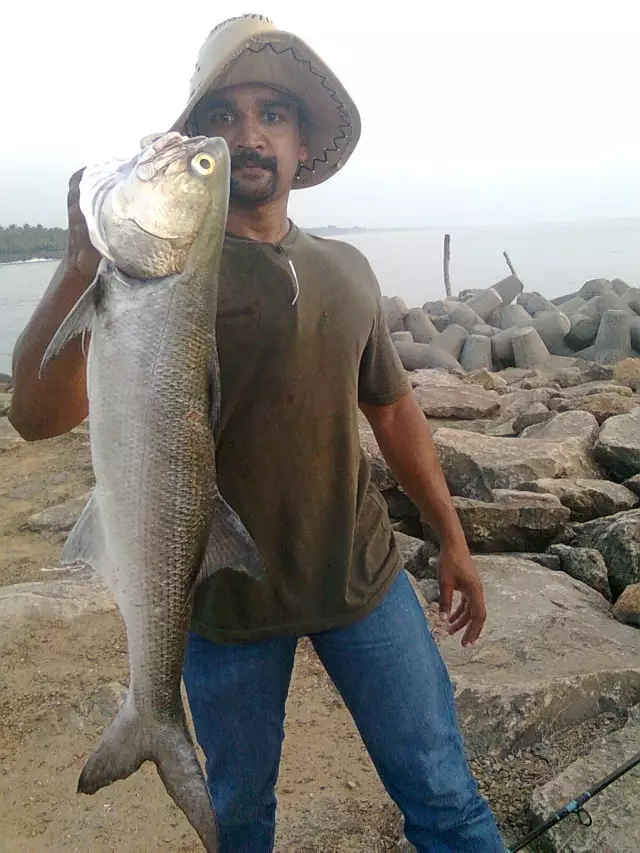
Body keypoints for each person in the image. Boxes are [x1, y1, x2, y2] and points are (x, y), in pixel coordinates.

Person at [8, 14, 505, 853]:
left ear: (302, 140)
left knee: (446, 797)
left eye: (272, 112)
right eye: (222, 118)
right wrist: (80, 260)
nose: (248, 135)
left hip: (364, 578)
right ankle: (152, 720)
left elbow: (393, 410)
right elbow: (35, 417)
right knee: (241, 821)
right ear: (198, 139)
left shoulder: (346, 270)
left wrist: (452, 538)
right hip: (221, 603)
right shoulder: (155, 271)